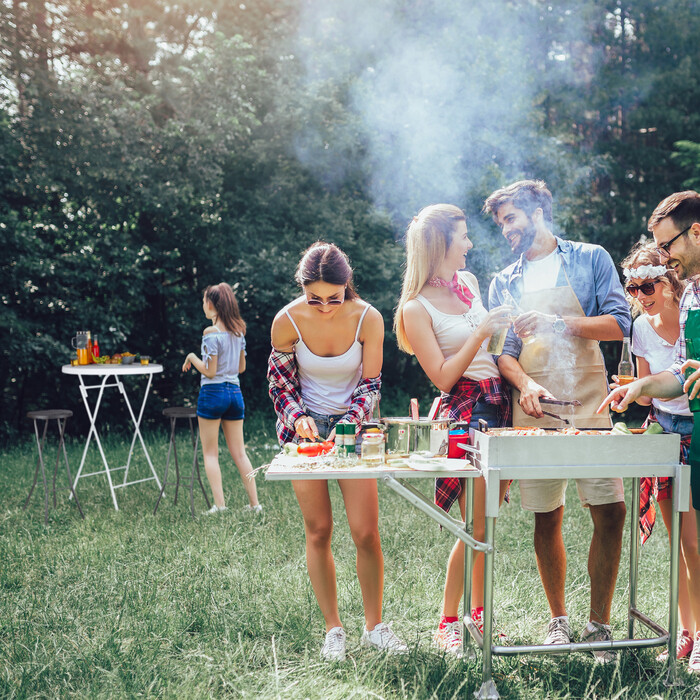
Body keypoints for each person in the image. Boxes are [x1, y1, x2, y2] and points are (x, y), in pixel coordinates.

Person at [485, 179, 631, 662]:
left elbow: (619, 323)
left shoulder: (590, 258)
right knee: (547, 515)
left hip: (591, 399)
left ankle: (600, 627)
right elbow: (504, 354)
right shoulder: (503, 280)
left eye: (511, 218)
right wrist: (525, 384)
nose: (506, 229)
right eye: (501, 222)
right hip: (536, 409)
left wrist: (557, 324)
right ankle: (558, 622)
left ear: (538, 210)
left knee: (610, 510)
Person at [267, 241, 407, 662]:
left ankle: (374, 627)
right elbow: (280, 385)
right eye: (315, 298)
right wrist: (297, 418)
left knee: (365, 532)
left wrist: (349, 421)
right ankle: (334, 630)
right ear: (302, 289)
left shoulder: (369, 318)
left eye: (335, 297)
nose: (325, 307)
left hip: (356, 429)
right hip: (304, 433)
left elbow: (370, 383)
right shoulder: (286, 321)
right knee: (319, 531)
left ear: (348, 285)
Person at [394, 204, 513, 655]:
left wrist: (502, 333)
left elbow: (490, 350)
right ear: (440, 244)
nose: (469, 244)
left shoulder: (469, 284)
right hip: (464, 410)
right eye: (462, 237)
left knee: (486, 524)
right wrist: (482, 332)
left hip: (497, 403)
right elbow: (442, 377)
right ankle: (450, 621)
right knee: (476, 526)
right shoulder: (414, 308)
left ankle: (476, 615)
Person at [599, 190, 700, 671]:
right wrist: (635, 390)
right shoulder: (647, 323)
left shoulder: (688, 307)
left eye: (647, 288)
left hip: (692, 427)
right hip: (667, 430)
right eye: (633, 290)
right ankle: (688, 631)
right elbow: (666, 382)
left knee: (694, 541)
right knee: (681, 538)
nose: (640, 298)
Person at [182, 282, 261, 514]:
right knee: (240, 453)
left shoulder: (210, 333)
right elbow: (241, 367)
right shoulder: (238, 333)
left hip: (213, 394)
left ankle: (220, 506)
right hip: (235, 394)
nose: (203, 306)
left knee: (210, 453)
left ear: (213, 305)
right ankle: (255, 505)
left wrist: (191, 357)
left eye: (204, 301)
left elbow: (210, 371)